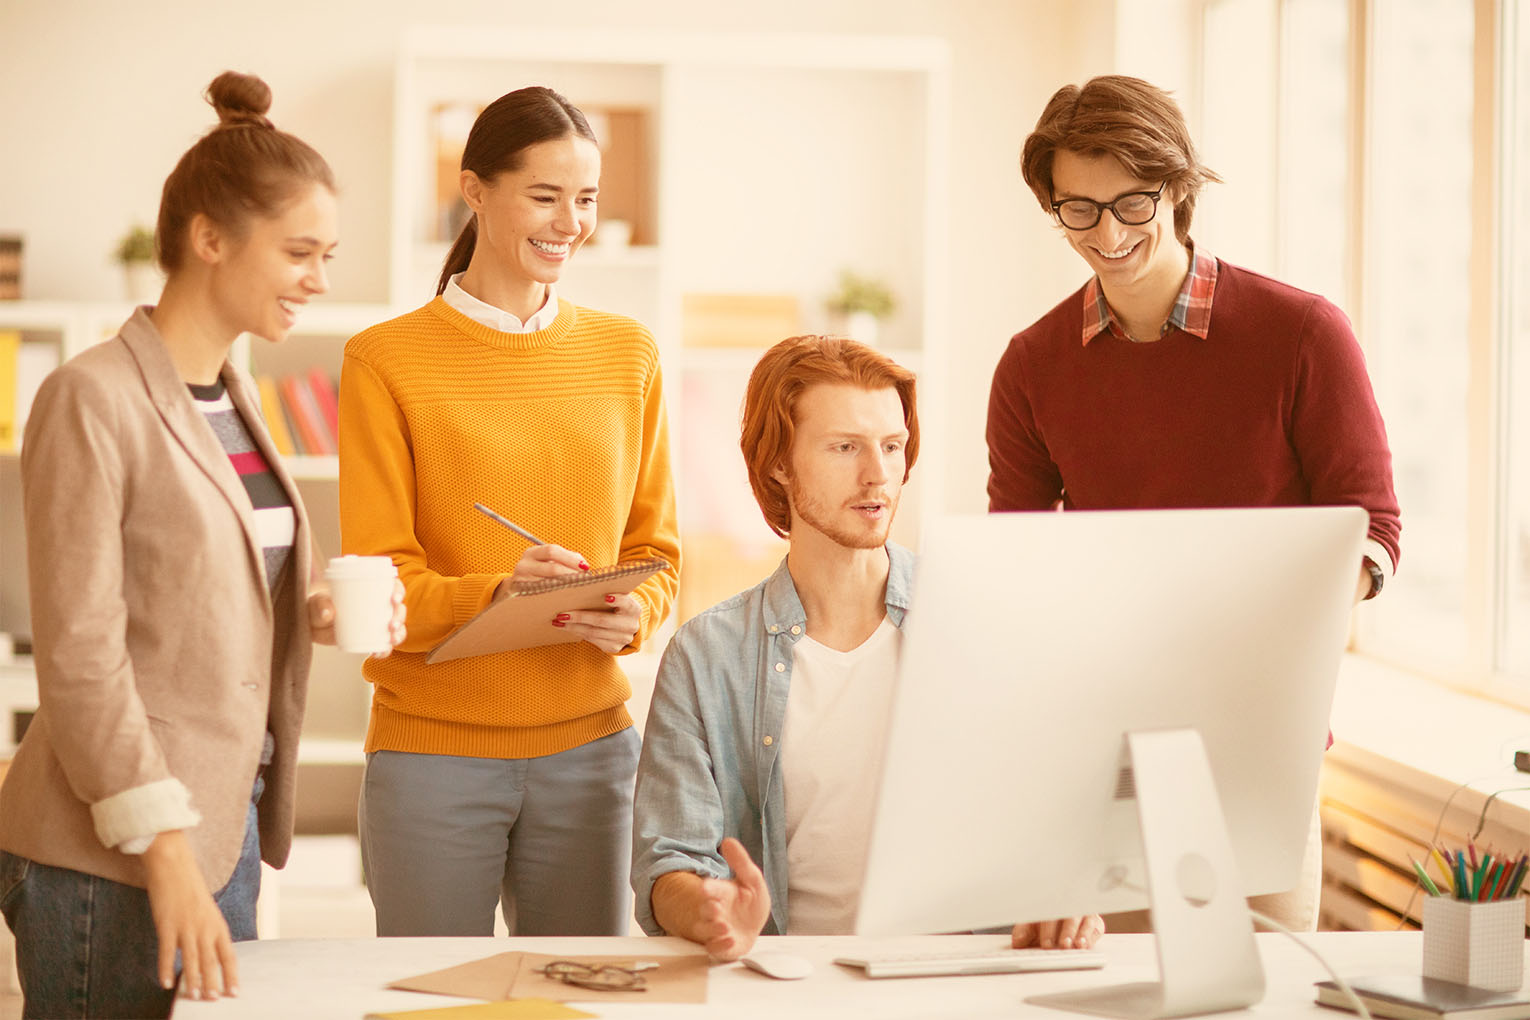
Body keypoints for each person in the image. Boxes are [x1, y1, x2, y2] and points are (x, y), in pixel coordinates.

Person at [0, 71, 405, 1018]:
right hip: (113, 851)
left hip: (216, 833)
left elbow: (194, 582)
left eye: (328, 255)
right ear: (209, 239)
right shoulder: (90, 396)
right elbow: (83, 656)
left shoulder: (234, 392)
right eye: (300, 252)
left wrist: (303, 608)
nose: (319, 279)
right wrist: (166, 858)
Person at [986, 75, 1402, 930]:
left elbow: (1371, 528)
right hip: (1104, 754)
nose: (1107, 234)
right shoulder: (1031, 366)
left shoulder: (1302, 335)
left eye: (1132, 204)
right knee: (1119, 991)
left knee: (1268, 989)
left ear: (1177, 188)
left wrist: (1275, 625)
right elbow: (1020, 568)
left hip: (1263, 741)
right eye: (1079, 209)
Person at [632, 334, 1102, 960]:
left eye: (892, 446)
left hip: (958, 981)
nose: (879, 473)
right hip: (789, 986)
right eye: (844, 447)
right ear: (778, 462)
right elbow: (670, 861)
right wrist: (708, 909)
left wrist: (1066, 890)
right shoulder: (706, 655)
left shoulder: (982, 620)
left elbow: (1052, 817)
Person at [339, 85, 680, 939]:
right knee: (434, 1003)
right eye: (545, 195)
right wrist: (499, 595)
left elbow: (659, 554)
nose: (570, 221)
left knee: (582, 999)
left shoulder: (627, 353)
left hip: (593, 753)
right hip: (430, 754)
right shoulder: (384, 362)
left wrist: (632, 611)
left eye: (588, 199)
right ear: (476, 189)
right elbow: (380, 588)